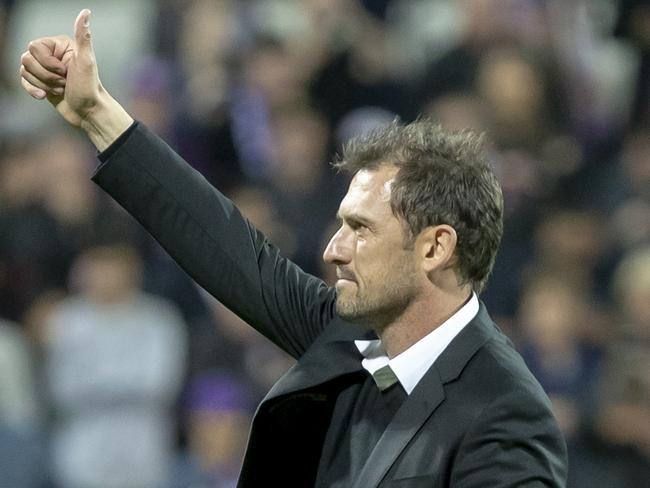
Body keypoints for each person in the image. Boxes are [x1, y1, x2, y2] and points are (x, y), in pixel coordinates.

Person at [20, 10, 568, 487]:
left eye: (361, 228)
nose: (333, 250)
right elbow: (225, 245)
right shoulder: (347, 332)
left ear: (435, 248)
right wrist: (95, 112)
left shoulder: (506, 414)